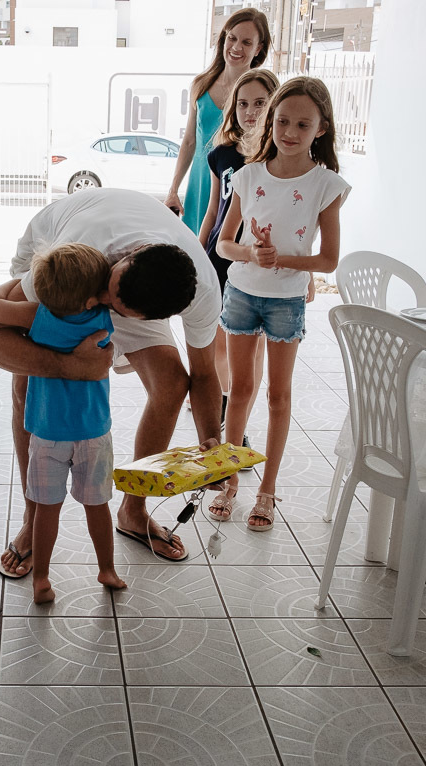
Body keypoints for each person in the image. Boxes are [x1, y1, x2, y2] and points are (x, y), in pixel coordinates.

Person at [0, 188, 223, 577]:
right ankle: (32, 518)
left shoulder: (200, 292)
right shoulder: (73, 263)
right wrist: (70, 365)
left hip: (130, 287)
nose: (98, 302)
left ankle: (133, 511)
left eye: (114, 307)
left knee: (171, 383)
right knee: (27, 388)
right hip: (72, 254)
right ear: (129, 257)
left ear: (152, 317)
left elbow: (204, 375)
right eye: (108, 292)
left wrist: (212, 445)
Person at [213, 77, 351, 530]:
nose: (289, 131)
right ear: (270, 121)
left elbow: (328, 260)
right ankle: (230, 482)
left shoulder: (326, 185)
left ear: (321, 130)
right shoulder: (248, 175)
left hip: (286, 301)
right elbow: (225, 246)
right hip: (240, 295)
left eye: (302, 124)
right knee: (240, 391)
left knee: (278, 395)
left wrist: (282, 259)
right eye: (282, 120)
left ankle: (267, 492)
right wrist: (253, 253)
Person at [0, 244, 128, 603]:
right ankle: (106, 568)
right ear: (93, 298)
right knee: (98, 506)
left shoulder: (38, 316)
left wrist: (15, 282)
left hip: (47, 434)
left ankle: (41, 579)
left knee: (45, 511)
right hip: (93, 433)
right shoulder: (103, 317)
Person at [197, 68, 280, 489]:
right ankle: (223, 419)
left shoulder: (279, 157)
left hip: (259, 266)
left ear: (275, 105)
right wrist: (198, 252)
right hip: (220, 257)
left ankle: (237, 423)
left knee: (249, 350)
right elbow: (213, 212)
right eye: (243, 103)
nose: (250, 111)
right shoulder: (221, 155)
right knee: (215, 347)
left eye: (260, 103)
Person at [164, 8, 271, 234]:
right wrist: (173, 189)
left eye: (246, 42)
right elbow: (190, 142)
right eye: (231, 38)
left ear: (258, 48)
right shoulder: (201, 84)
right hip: (200, 182)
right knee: (194, 252)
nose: (236, 47)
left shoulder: (263, 91)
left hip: (235, 183)